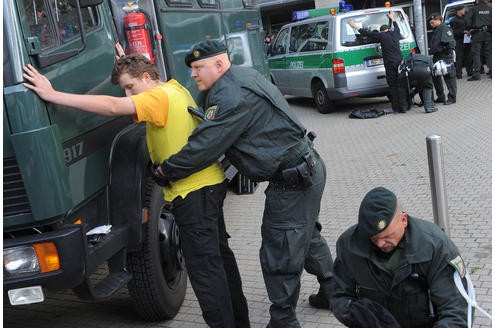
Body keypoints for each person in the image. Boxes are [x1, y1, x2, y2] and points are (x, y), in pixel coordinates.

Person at [22, 48, 250, 328]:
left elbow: (112, 107)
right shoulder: (173, 88)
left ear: (146, 77)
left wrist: (53, 94)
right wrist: (128, 56)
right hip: (209, 186)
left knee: (206, 275)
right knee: (222, 264)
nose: (129, 96)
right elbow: (142, 76)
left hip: (192, 193)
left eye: (130, 87)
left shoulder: (156, 97)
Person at [152, 39, 335, 327]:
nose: (194, 74)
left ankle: (283, 321)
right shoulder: (241, 75)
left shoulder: (229, 95)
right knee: (305, 235)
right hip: (306, 170)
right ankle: (333, 290)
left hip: (292, 180)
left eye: (199, 67)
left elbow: (204, 146)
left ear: (219, 64)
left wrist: (166, 170)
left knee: (280, 251)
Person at [331, 187, 470, 327]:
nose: (380, 244)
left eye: (387, 236)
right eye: (373, 238)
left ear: (403, 220)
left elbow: (455, 312)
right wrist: (356, 313)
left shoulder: (436, 246)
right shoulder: (349, 246)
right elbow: (339, 296)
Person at [348, 11, 403, 113]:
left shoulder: (381, 36)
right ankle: (404, 106)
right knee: (401, 84)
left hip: (390, 64)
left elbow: (366, 33)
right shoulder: (395, 33)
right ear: (388, 29)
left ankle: (396, 108)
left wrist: (354, 25)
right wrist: (392, 17)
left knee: (393, 85)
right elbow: (397, 26)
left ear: (381, 31)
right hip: (400, 62)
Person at [428, 13, 457, 105]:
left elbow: (450, 42)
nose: (431, 25)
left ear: (438, 20)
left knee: (449, 76)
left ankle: (452, 97)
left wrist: (449, 56)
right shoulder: (437, 29)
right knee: (436, 76)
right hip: (437, 56)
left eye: (432, 23)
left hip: (445, 54)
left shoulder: (444, 28)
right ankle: (441, 97)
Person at [465, 0, 492, 81]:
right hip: (489, 33)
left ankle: (476, 74)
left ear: (477, 1)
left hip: (477, 33)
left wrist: (470, 28)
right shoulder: (490, 9)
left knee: (476, 53)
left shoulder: (473, 9)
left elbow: (467, 20)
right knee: (489, 53)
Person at [450, 6, 473, 79]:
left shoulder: (465, 18)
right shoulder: (453, 20)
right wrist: (463, 31)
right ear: (458, 11)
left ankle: (470, 72)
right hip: (459, 41)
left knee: (469, 57)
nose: (464, 10)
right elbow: (454, 32)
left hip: (467, 40)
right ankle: (459, 74)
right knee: (459, 58)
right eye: (462, 9)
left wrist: (470, 31)